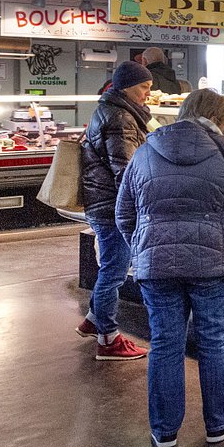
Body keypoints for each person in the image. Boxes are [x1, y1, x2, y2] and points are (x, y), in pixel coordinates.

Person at [116, 89, 224, 447]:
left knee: (165, 344)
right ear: (219, 118)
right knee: (213, 343)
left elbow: (124, 211)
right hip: (213, 262)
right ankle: (219, 423)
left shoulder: (147, 149)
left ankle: (164, 432)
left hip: (157, 266)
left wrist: (145, 247)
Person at [78, 61, 153, 361]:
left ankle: (94, 320)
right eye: (144, 87)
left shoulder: (112, 110)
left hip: (102, 201)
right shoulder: (121, 117)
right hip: (112, 205)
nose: (149, 93)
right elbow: (125, 169)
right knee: (115, 270)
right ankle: (108, 339)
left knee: (111, 267)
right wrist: (142, 203)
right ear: (126, 87)